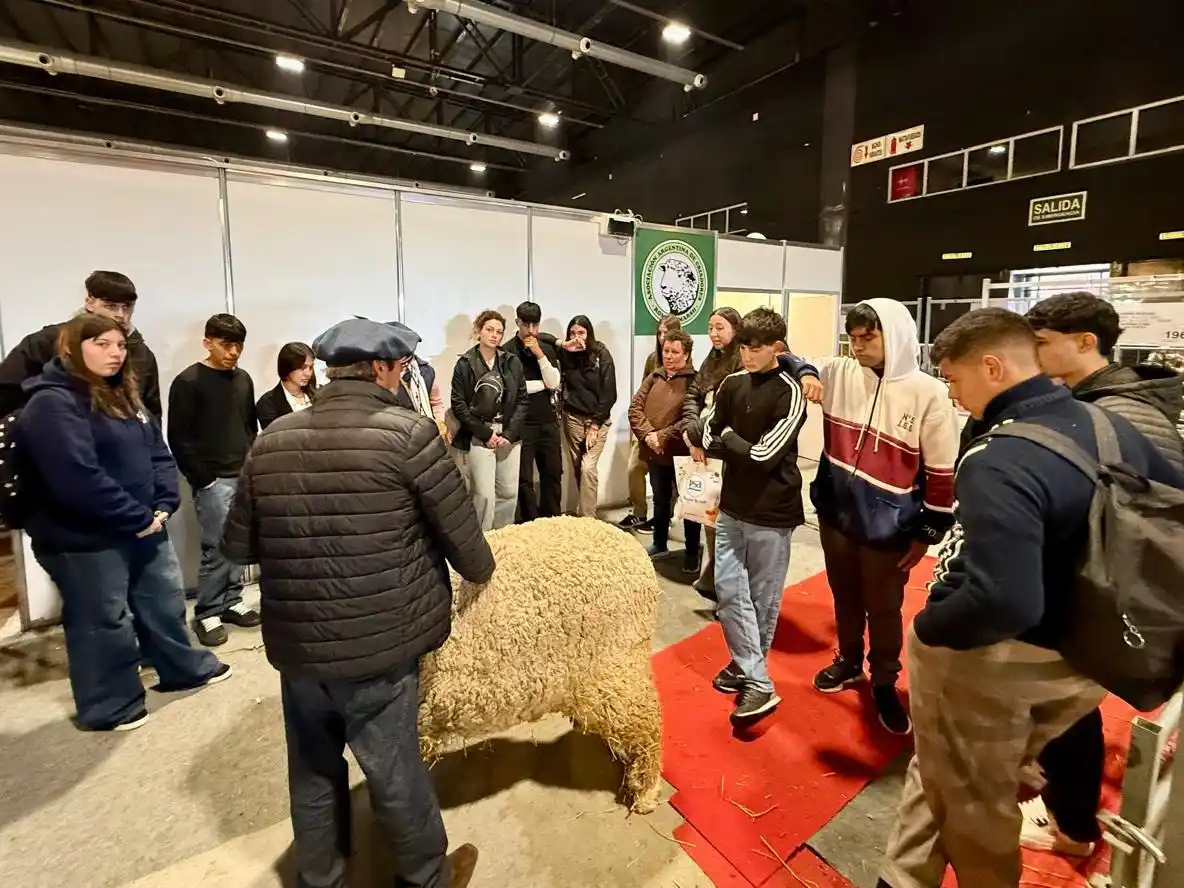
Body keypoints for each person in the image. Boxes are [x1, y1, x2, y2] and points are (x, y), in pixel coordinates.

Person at [877, 308, 1184, 888]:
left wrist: (930, 627)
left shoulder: (1000, 457)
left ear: (992, 367)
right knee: (939, 771)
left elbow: (1004, 599)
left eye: (954, 378)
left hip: (1010, 659)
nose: (951, 393)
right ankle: (901, 874)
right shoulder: (1110, 424)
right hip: (1090, 652)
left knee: (970, 797)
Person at [221, 317, 493, 888]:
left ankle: (320, 877)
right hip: (379, 646)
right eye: (400, 369)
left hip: (297, 648)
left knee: (314, 769)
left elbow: (237, 545)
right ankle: (426, 877)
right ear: (380, 369)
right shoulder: (409, 435)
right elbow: (467, 545)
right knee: (394, 771)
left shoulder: (272, 438)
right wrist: (479, 572)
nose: (402, 378)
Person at [1014, 291, 1184, 857]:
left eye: (1042, 344)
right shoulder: (1107, 398)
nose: (1032, 354)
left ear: (1086, 343)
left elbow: (1149, 507)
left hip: (1101, 587)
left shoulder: (1114, 410)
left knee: (1069, 707)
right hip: (1095, 579)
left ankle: (1073, 830)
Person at [17, 314, 230, 732]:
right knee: (103, 620)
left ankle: (181, 667)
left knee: (163, 602)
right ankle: (109, 703)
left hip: (145, 526)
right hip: (85, 538)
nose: (114, 353)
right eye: (101, 343)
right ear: (71, 348)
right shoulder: (52, 402)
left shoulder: (124, 394)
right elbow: (75, 477)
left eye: (119, 345)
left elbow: (159, 454)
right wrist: (137, 517)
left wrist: (164, 503)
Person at [807, 299, 960, 737]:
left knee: (885, 608)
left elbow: (941, 472)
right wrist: (805, 374)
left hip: (890, 527)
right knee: (844, 595)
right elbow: (792, 357)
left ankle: (884, 682)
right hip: (836, 514)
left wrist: (927, 533)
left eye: (867, 337)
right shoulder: (838, 372)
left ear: (891, 334)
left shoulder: (928, 393)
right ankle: (849, 661)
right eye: (852, 338)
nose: (858, 346)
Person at [688, 308, 808, 725]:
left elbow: (764, 455)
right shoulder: (731, 384)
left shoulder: (789, 392)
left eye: (755, 348)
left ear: (776, 348)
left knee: (763, 598)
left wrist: (726, 437)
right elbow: (705, 433)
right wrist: (724, 438)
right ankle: (757, 678)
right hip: (733, 506)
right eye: (743, 346)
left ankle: (748, 671)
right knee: (728, 590)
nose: (746, 354)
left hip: (773, 511)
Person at [167, 314, 260, 647]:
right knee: (216, 547)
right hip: (214, 480)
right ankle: (207, 612)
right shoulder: (188, 381)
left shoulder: (244, 379)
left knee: (239, 542)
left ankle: (232, 600)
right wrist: (203, 480)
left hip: (243, 475)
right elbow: (178, 438)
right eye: (225, 344)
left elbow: (250, 425)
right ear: (208, 342)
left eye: (238, 345)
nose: (233, 352)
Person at [0, 270, 162, 420]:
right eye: (110, 306)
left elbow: (151, 413)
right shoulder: (46, 341)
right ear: (89, 303)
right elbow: (7, 393)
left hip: (120, 444)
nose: (120, 315)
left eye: (127, 307)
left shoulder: (141, 353)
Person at [681, 307, 742, 596]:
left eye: (720, 328)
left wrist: (705, 434)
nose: (714, 334)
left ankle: (722, 581)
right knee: (707, 512)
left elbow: (733, 411)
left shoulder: (742, 361)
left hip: (724, 444)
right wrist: (692, 429)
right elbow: (693, 394)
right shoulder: (711, 359)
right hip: (702, 440)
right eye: (711, 328)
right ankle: (712, 574)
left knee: (725, 520)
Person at [450, 310, 529, 531]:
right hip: (479, 434)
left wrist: (509, 434)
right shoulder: (465, 363)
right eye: (489, 330)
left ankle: (503, 539)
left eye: (499, 332)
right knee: (483, 495)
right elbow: (459, 405)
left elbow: (522, 400)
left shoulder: (511, 362)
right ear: (479, 331)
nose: (494, 335)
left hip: (508, 434)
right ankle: (483, 543)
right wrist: (487, 434)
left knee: (508, 492)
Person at [629, 330, 699, 571]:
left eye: (675, 352)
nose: (669, 356)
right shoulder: (654, 377)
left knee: (689, 504)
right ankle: (660, 543)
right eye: (666, 351)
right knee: (659, 499)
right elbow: (635, 408)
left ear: (686, 354)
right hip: (654, 451)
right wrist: (648, 435)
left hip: (681, 453)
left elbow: (690, 419)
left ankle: (692, 552)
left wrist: (662, 436)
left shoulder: (694, 381)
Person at [618, 314, 681, 532]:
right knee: (634, 468)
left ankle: (665, 517)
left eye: (667, 333)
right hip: (647, 430)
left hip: (670, 433)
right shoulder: (652, 360)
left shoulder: (686, 367)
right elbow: (641, 399)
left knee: (666, 479)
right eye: (660, 333)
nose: (662, 337)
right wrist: (643, 431)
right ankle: (639, 512)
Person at [557, 315, 617, 518]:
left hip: (596, 421)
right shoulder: (566, 354)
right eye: (572, 333)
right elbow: (543, 339)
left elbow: (610, 393)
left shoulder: (601, 354)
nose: (577, 338)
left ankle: (588, 519)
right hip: (572, 418)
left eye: (581, 333)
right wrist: (564, 344)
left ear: (589, 333)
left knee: (588, 467)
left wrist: (595, 425)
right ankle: (584, 514)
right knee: (578, 468)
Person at [509, 301, 563, 522]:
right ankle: (529, 524)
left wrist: (540, 355)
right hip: (522, 423)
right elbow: (514, 389)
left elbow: (553, 383)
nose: (530, 330)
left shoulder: (546, 348)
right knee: (523, 479)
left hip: (548, 421)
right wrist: (536, 385)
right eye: (526, 325)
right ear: (517, 323)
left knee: (553, 473)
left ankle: (553, 521)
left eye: (535, 325)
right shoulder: (508, 351)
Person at [256, 341, 317, 430]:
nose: (308, 373)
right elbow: (273, 438)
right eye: (303, 368)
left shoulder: (319, 394)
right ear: (288, 367)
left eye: (311, 367)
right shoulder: (268, 403)